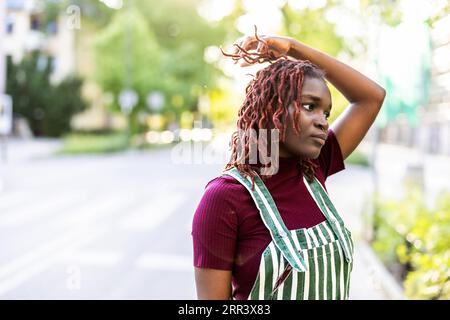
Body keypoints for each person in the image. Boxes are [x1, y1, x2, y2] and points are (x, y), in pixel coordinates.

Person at [191, 30, 386, 300]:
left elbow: (371, 97)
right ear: (273, 110)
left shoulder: (315, 168)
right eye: (309, 106)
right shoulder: (224, 199)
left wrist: (293, 47)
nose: (323, 121)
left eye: (326, 112)